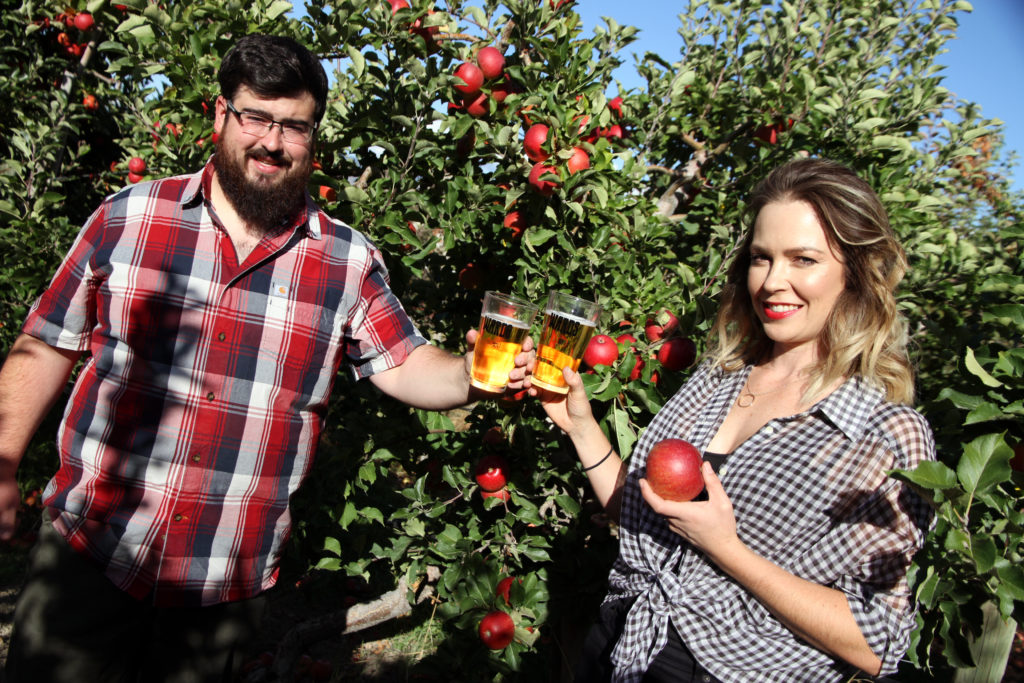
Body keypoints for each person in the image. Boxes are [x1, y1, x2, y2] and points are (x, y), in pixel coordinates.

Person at [0, 34, 531, 683]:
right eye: (257, 116)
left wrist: (473, 374)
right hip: (91, 554)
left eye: (295, 126)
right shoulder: (129, 218)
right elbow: (48, 341)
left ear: (314, 136)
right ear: (221, 115)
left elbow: (404, 362)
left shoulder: (346, 260)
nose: (273, 141)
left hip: (222, 587)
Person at [535, 157, 935, 682]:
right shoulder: (716, 380)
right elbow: (642, 520)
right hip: (621, 640)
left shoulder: (881, 435)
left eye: (803, 259)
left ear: (855, 274)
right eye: (761, 258)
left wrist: (726, 548)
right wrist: (581, 427)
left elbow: (878, 645)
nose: (773, 282)